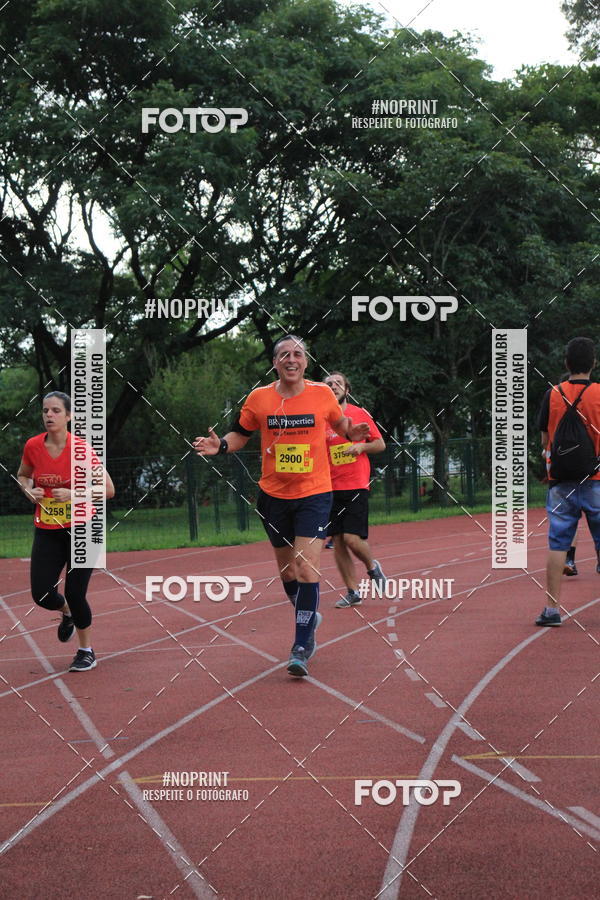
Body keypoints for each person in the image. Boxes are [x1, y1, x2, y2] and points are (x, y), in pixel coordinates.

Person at [193, 335, 369, 676]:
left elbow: (341, 424)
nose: (292, 359)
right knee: (288, 572)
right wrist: (221, 447)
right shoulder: (259, 399)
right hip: (273, 496)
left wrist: (354, 432)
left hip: (315, 494)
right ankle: (308, 613)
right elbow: (240, 434)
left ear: (306, 362)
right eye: (284, 354)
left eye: (298, 354)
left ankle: (302, 644)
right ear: (275, 363)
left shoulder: (321, 394)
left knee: (306, 569)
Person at [16, 392, 115, 670]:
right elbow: (22, 475)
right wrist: (28, 490)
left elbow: (108, 490)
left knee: (75, 591)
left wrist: (75, 493)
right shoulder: (33, 446)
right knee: (42, 594)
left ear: (69, 416)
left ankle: (86, 651)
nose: (49, 415)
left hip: (82, 529)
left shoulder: (82, 450)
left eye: (56, 411)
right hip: (48, 529)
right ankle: (67, 613)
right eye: (45, 411)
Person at [535, 337, 600, 626]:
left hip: (561, 482)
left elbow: (545, 442)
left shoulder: (552, 395)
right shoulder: (599, 394)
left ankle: (551, 610)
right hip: (596, 479)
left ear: (566, 364)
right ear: (593, 364)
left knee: (558, 544)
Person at [322, 372, 387, 607]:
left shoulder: (359, 414)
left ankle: (372, 567)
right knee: (337, 540)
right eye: (328, 384)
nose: (333, 386)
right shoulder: (320, 418)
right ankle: (352, 591)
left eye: (338, 383)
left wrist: (360, 446)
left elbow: (380, 444)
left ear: (346, 390)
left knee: (351, 538)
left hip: (355, 484)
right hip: (328, 487)